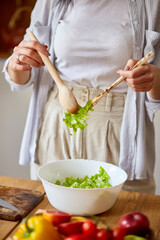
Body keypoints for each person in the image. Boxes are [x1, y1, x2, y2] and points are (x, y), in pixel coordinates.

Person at [3, 0, 160, 194]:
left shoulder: (150, 4)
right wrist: (17, 64)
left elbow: (156, 85)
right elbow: (23, 77)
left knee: (122, 217)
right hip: (56, 127)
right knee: (50, 216)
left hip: (119, 132)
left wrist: (154, 79)